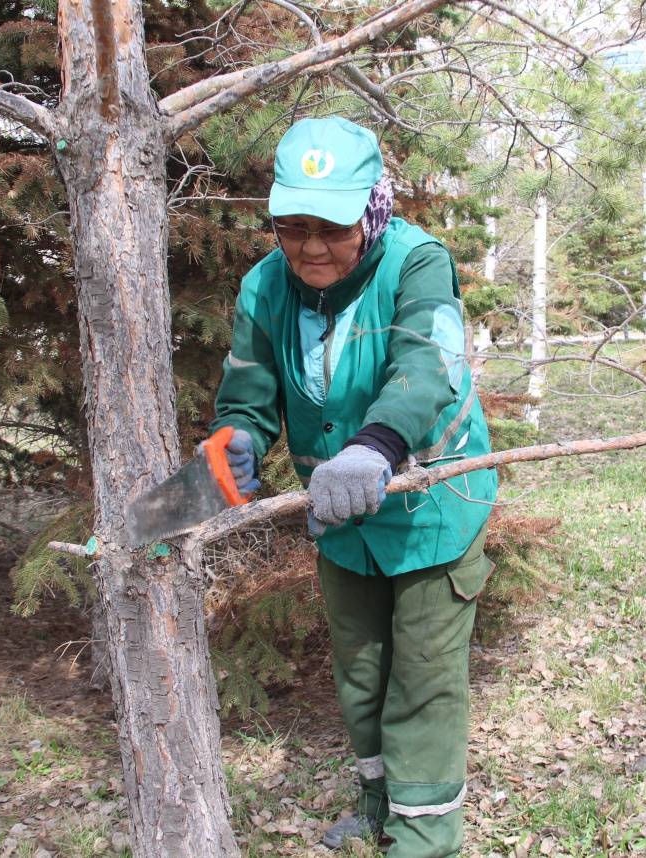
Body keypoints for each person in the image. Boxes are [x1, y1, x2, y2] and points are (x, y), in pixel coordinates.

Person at [210, 116, 498, 858]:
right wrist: (236, 440)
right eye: (294, 225)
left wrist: (377, 445)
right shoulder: (264, 288)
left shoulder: (416, 263)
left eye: (332, 227)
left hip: (433, 506)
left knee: (424, 682)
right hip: (340, 513)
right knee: (362, 671)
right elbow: (249, 389)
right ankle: (379, 803)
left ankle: (424, 841)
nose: (311, 247)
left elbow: (427, 365)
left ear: (370, 210)